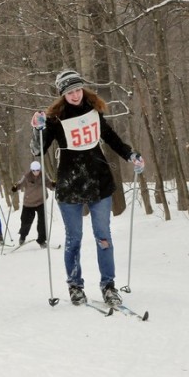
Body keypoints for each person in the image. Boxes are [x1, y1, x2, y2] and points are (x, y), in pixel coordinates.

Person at [30, 69, 145, 306]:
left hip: (98, 181)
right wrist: (37, 129)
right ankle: (75, 285)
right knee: (74, 238)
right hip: (70, 184)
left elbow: (112, 138)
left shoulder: (94, 111)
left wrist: (131, 155)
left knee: (103, 236)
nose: (75, 95)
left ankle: (109, 286)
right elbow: (38, 150)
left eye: (77, 89)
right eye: (69, 92)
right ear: (62, 94)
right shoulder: (55, 119)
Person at [11, 160, 55, 248]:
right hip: (29, 203)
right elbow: (20, 183)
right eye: (34, 170)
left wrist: (53, 184)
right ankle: (22, 236)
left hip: (40, 201)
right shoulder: (27, 176)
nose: (36, 172)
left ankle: (41, 240)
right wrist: (15, 187)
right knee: (25, 221)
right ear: (31, 170)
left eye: (38, 170)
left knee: (42, 222)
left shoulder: (43, 175)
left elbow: (49, 184)